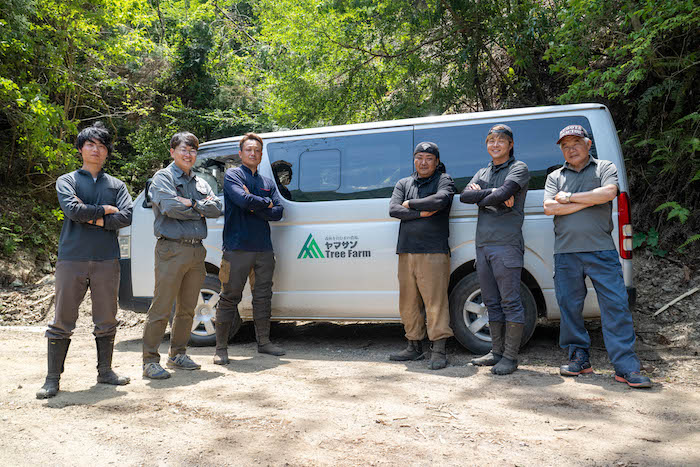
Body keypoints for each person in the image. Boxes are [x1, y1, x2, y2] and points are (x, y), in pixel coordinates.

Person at [544, 124, 651, 388]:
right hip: (566, 253)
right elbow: (549, 207)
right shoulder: (555, 176)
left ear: (588, 144)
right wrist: (588, 200)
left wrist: (568, 198)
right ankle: (579, 358)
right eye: (566, 145)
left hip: (601, 250)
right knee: (569, 307)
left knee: (615, 306)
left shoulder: (604, 168)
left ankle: (626, 367)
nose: (571, 149)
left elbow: (609, 193)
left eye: (576, 143)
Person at [37, 122, 133, 399]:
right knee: (62, 318)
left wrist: (91, 216)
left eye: (102, 146)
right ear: (81, 149)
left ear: (107, 152)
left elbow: (125, 217)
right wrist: (104, 212)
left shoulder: (116, 184)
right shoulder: (67, 180)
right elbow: (72, 209)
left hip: (107, 259)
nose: (96, 150)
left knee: (107, 318)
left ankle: (105, 372)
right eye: (91, 144)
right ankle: (52, 379)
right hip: (72, 257)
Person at [141, 132, 223, 379]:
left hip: (197, 250)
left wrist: (191, 204)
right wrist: (198, 206)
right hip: (171, 249)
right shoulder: (163, 178)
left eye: (193, 150)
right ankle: (149, 361)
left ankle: (177, 354)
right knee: (162, 307)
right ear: (172, 152)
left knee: (189, 308)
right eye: (184, 149)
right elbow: (169, 207)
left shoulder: (201, 180)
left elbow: (216, 208)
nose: (189, 154)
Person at [459, 124, 530, 375]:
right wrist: (494, 196)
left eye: (501, 140)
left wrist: (483, 196)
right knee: (491, 301)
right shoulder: (482, 171)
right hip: (483, 246)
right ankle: (496, 352)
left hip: (507, 244)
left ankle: (510, 357)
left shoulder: (518, 168)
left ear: (510, 144)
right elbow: (464, 197)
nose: (495, 144)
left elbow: (507, 192)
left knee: (511, 301)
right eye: (491, 140)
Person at [213, 133, 285, 365]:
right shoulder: (233, 175)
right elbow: (242, 201)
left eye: (257, 150)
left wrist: (254, 202)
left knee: (263, 297)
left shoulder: (267, 182)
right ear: (241, 152)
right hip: (237, 248)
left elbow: (279, 212)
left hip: (263, 248)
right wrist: (264, 203)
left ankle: (263, 343)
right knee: (229, 297)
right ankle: (221, 349)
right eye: (249, 150)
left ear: (261, 154)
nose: (253, 153)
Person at [388, 142, 456, 370]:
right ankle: (413, 346)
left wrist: (410, 205)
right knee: (408, 302)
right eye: (419, 157)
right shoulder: (403, 183)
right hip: (407, 250)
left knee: (435, 301)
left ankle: (438, 350)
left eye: (429, 158)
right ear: (414, 160)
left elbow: (440, 200)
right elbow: (393, 209)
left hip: (433, 251)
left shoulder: (443, 180)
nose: (423, 162)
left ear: (436, 161)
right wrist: (421, 212)